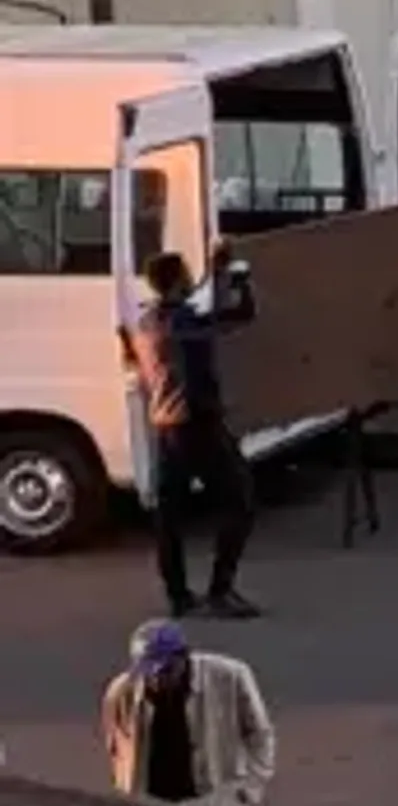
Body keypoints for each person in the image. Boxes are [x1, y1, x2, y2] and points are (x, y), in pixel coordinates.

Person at [124, 249, 258, 621]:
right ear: (178, 279)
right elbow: (240, 316)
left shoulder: (148, 321)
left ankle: (179, 595)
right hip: (197, 423)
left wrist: (214, 275)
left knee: (170, 516)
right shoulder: (184, 322)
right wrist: (236, 281)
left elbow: (192, 311)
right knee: (240, 501)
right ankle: (221, 590)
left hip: (165, 426)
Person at [101, 618, 278, 806]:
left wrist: (252, 787)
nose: (157, 679)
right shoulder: (121, 690)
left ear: (183, 657)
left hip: (212, 797)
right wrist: (127, 791)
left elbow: (260, 733)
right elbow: (116, 745)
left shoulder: (231, 676)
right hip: (152, 797)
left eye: (166, 671)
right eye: (148, 672)